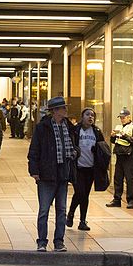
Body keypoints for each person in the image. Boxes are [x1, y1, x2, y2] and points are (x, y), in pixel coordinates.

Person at [28, 96, 78, 252]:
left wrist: (75, 152)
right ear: (55, 111)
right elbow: (34, 150)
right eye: (63, 108)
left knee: (61, 210)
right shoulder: (43, 127)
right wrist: (34, 171)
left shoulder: (68, 126)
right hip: (46, 174)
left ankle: (59, 241)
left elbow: (74, 145)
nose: (66, 110)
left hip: (63, 174)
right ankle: (42, 241)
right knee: (44, 209)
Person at [67, 108, 110, 231]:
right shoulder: (76, 130)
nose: (90, 117)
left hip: (91, 168)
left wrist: (97, 150)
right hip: (78, 168)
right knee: (80, 193)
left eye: (92, 115)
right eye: (87, 115)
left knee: (84, 194)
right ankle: (73, 216)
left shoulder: (96, 131)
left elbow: (104, 149)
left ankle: (80, 219)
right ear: (82, 116)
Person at [106, 108, 133, 209]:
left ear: (129, 117)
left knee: (130, 179)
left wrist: (124, 135)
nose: (122, 120)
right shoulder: (119, 127)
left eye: (124, 117)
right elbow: (114, 141)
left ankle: (131, 200)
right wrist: (113, 136)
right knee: (118, 179)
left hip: (130, 156)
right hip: (120, 155)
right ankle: (117, 199)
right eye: (121, 118)